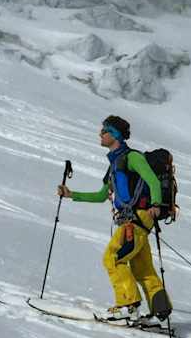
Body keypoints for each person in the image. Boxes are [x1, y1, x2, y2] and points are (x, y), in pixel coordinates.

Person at [58, 115, 173, 322]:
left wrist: (156, 204)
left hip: (135, 218)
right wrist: (71, 194)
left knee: (113, 258)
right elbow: (102, 195)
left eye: (104, 131)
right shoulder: (114, 165)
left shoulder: (132, 158)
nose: (100, 134)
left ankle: (128, 306)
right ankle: (159, 311)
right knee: (142, 267)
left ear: (116, 134)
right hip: (134, 219)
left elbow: (153, 181)